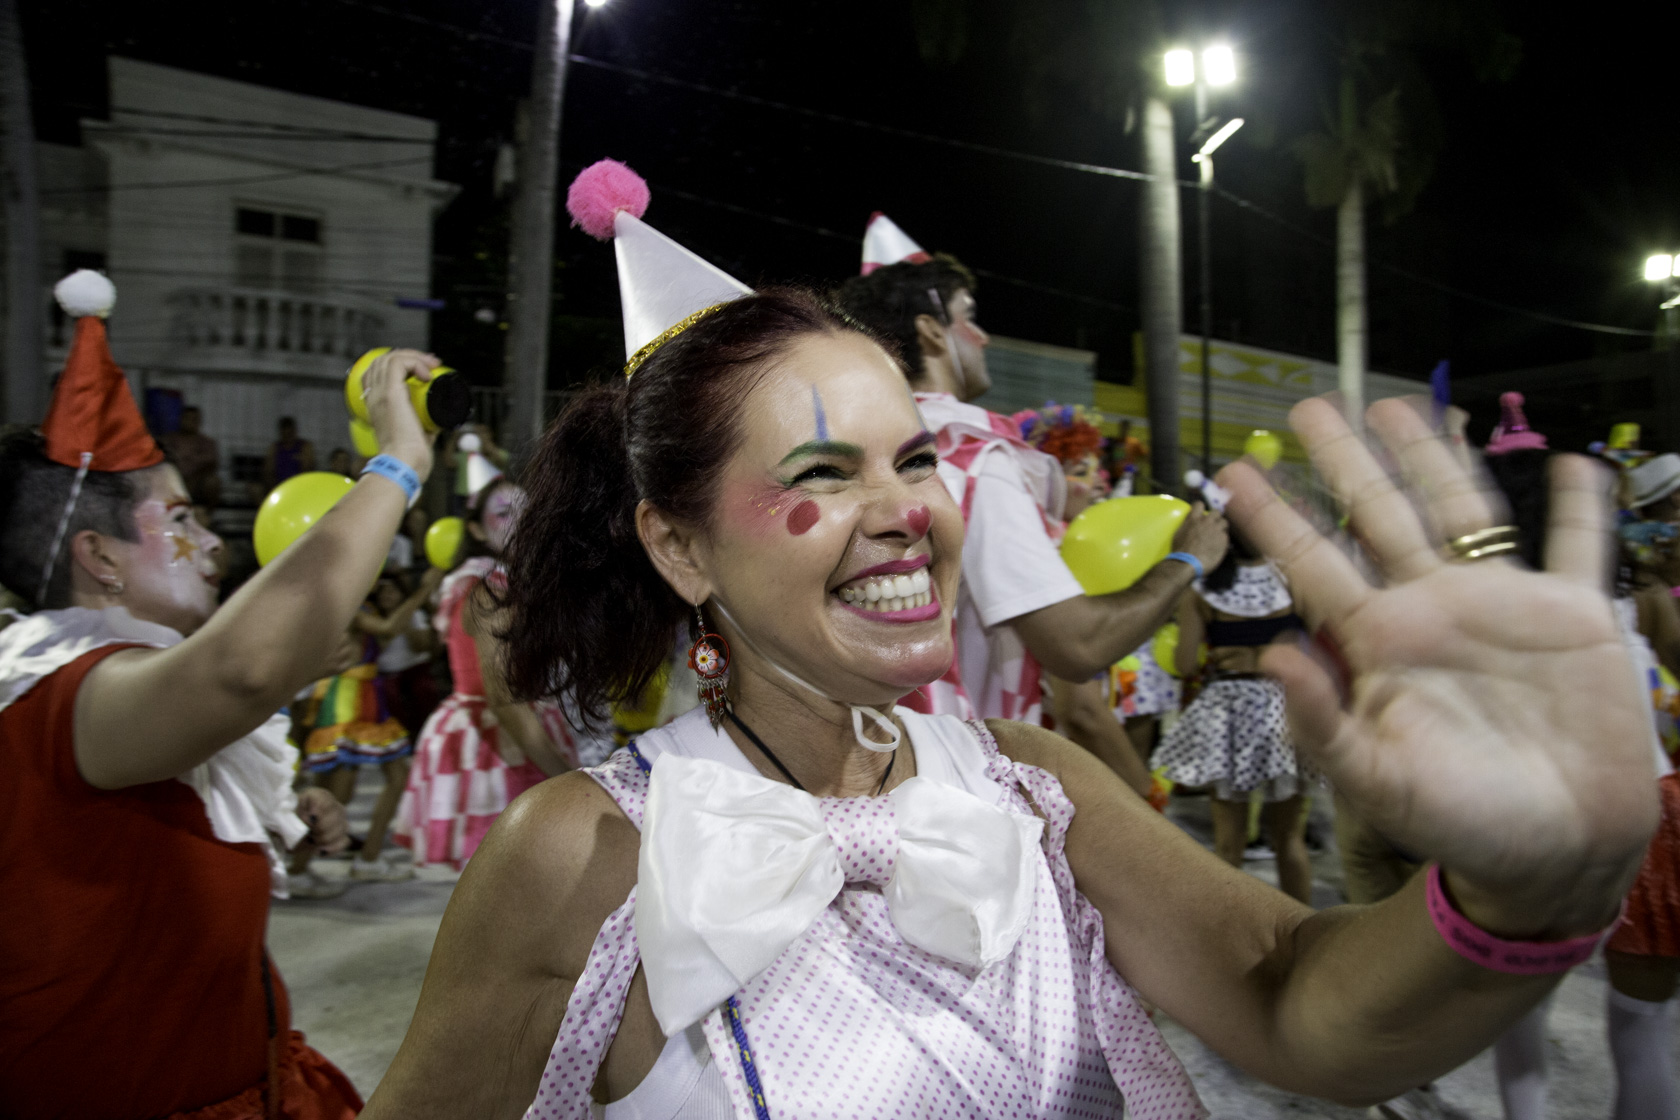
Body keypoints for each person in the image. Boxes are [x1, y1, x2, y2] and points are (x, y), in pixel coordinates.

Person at [361, 165, 1657, 1119]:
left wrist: (1526, 892)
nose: (910, 513)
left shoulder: (1033, 784)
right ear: (682, 548)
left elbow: (1291, 1000)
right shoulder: (576, 855)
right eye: (825, 471)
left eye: (915, 459)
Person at [0, 269, 440, 1118]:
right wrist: (398, 465)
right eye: (181, 520)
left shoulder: (116, 689)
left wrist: (274, 814)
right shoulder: (59, 691)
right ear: (99, 557)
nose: (210, 544)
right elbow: (240, 671)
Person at [836, 215, 1228, 725]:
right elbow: (1078, 645)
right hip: (961, 758)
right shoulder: (974, 459)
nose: (982, 338)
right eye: (969, 316)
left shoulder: (851, 453)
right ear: (931, 332)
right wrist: (1189, 559)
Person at [1482, 394, 1680, 1120]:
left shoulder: (1484, 608)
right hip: (1648, 812)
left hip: (1539, 818)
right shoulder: (1641, 595)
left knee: (1516, 1014)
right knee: (1643, 1024)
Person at [393, 473, 577, 870]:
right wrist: (567, 780)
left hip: (512, 731)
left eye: (527, 511)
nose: (520, 523)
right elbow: (504, 698)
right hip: (494, 745)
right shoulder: (488, 589)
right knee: (512, 876)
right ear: (475, 529)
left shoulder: (507, 583)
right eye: (504, 513)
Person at [1151, 511, 1313, 904]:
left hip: (1228, 712)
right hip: (1287, 709)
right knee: (1290, 839)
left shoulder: (1201, 590)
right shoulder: (1296, 581)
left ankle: (1229, 930)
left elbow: (1185, 664)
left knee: (1229, 844)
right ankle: (1308, 927)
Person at [294, 567, 444, 885]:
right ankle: (296, 869)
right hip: (347, 702)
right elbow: (389, 628)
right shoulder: (351, 607)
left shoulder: (362, 607)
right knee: (336, 794)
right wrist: (422, 592)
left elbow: (392, 634)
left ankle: (369, 857)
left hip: (366, 699)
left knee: (396, 776)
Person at [159, 404, 220, 508]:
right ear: (181, 419)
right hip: (173, 478)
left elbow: (212, 462)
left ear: (199, 421)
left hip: (198, 482)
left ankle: (206, 513)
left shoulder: (207, 442)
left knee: (213, 482)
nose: (190, 422)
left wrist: (194, 473)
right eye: (187, 418)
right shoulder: (168, 440)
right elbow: (161, 458)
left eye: (194, 419)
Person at [263, 416, 316, 490]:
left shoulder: (304, 447)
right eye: (285, 434)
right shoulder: (274, 448)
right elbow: (268, 471)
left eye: (289, 433)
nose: (287, 437)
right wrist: (274, 487)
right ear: (281, 433)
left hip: (299, 485)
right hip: (279, 486)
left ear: (294, 431)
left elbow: (308, 469)